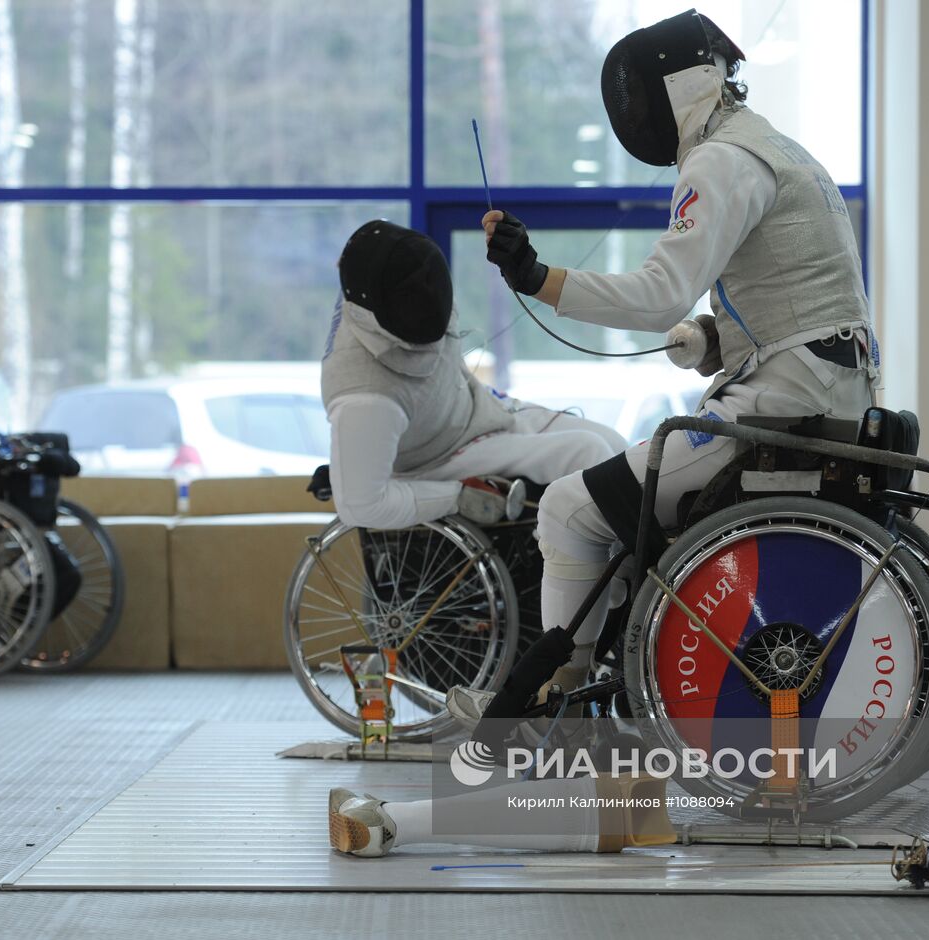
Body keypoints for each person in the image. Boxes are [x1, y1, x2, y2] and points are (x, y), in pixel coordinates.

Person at [330, 9, 877, 857]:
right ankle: (605, 682)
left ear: (663, 92)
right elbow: (801, 292)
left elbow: (660, 291)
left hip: (780, 400)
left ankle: (559, 710)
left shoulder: (721, 162)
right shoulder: (773, 146)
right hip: (814, 383)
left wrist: (537, 276)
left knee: (570, 511)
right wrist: (713, 340)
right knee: (616, 489)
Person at [323, 219, 626, 532]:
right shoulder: (364, 397)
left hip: (478, 411)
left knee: (616, 447)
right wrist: (456, 496)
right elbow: (362, 507)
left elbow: (359, 254)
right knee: (590, 454)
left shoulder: (399, 272)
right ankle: (590, 575)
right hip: (442, 457)